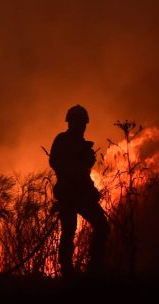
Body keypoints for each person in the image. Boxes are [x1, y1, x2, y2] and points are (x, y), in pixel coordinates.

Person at [49, 104, 109, 277]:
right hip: (69, 193)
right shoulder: (62, 140)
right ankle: (67, 269)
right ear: (71, 123)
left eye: (83, 123)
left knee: (102, 226)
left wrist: (91, 190)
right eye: (79, 122)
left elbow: (83, 173)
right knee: (69, 229)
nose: (82, 126)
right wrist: (69, 178)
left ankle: (95, 266)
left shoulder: (83, 145)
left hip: (80, 193)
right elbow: (56, 163)